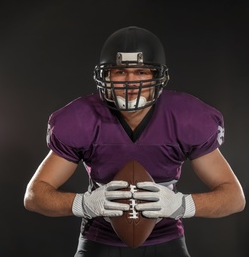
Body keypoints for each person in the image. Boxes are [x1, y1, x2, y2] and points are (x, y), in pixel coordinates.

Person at [23, 26, 246, 257]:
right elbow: (34, 196)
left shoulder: (185, 118)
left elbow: (233, 198)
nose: (130, 82)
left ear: (157, 77)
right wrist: (84, 204)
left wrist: (182, 205)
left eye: (141, 72)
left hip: (166, 240)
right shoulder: (81, 118)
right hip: (99, 241)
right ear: (106, 76)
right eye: (120, 71)